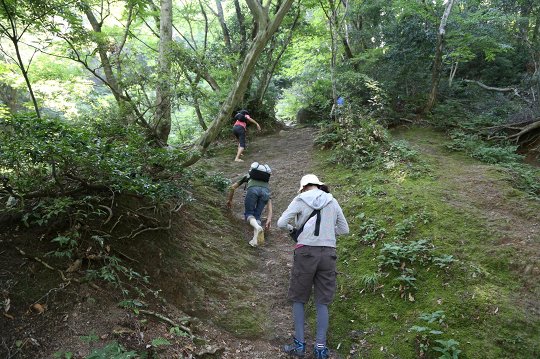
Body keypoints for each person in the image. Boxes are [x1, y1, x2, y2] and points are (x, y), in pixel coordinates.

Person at [277, 174, 349, 359]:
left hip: (306, 252)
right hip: (328, 253)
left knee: (299, 298)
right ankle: (320, 348)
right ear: (318, 185)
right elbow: (344, 229)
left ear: (303, 187)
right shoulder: (332, 201)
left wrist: (294, 230)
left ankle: (300, 346)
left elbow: (281, 223)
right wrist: (326, 231)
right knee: (322, 301)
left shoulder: (300, 199)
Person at [227, 162, 273, 247]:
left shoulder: (248, 175)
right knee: (257, 216)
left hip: (252, 190)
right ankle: (255, 240)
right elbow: (269, 199)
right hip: (265, 193)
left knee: (249, 214)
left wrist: (230, 200)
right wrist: (269, 217)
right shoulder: (265, 182)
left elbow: (232, 187)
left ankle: (257, 227)